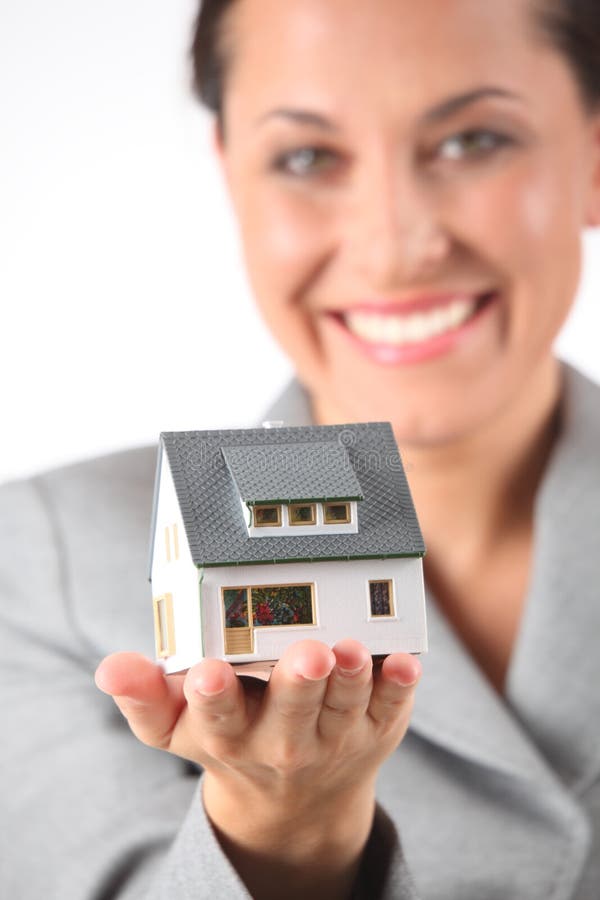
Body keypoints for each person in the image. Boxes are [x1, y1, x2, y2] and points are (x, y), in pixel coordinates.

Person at [1, 0, 599, 897]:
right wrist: (281, 829)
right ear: (234, 181)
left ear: (594, 154)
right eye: (308, 157)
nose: (395, 248)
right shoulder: (39, 559)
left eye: (474, 140)